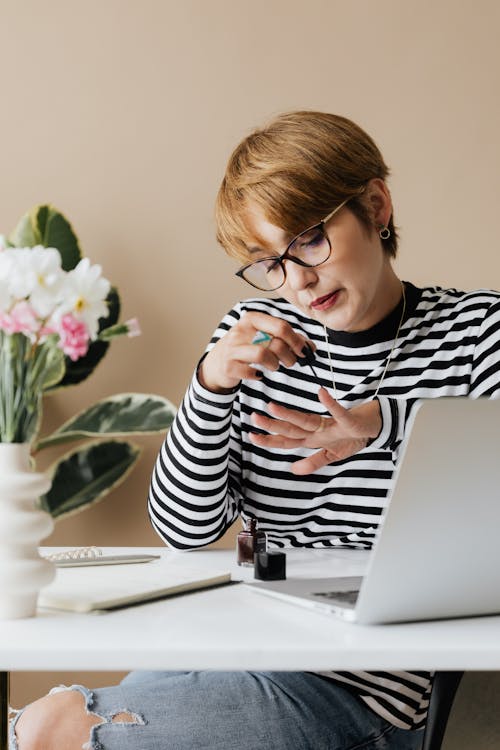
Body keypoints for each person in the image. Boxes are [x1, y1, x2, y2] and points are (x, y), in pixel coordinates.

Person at [11, 111, 500, 750]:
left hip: (367, 687)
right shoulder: (253, 336)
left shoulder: (476, 331)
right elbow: (187, 531)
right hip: (234, 638)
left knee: (55, 731)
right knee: (36, 726)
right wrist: (210, 386)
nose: (297, 279)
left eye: (311, 240)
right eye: (270, 263)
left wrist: (383, 426)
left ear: (376, 206)